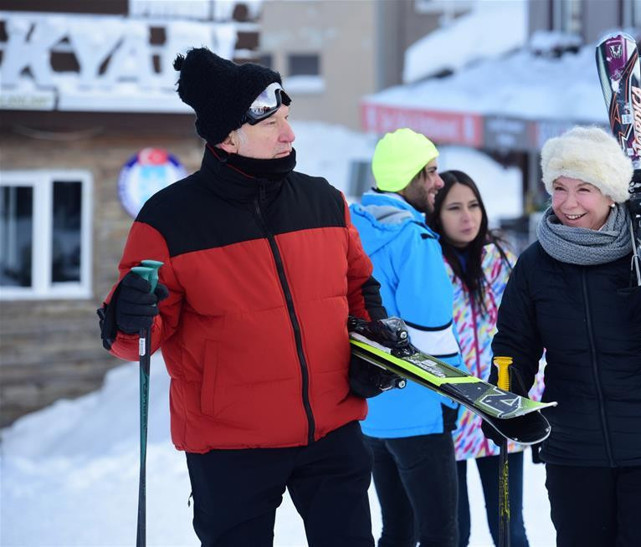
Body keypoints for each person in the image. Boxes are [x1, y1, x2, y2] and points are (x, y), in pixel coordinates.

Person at [96, 47, 398, 546]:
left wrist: (374, 341)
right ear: (228, 135)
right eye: (271, 124)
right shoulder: (168, 220)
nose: (289, 134)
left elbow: (358, 287)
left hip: (332, 431)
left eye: (288, 118)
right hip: (231, 444)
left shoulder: (324, 201)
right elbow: (138, 341)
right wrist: (126, 316)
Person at [481, 126, 641, 547]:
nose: (569, 203)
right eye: (559, 188)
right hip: (576, 452)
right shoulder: (536, 264)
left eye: (584, 189)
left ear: (612, 193)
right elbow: (514, 346)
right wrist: (503, 397)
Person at [350, 128, 463, 547]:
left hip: (374, 410)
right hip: (420, 407)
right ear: (406, 177)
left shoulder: (355, 230)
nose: (438, 183)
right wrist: (455, 396)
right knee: (438, 533)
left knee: (395, 531)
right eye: (430, 173)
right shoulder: (413, 240)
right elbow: (432, 335)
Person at [427, 170, 541, 547]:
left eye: (474, 205)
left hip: (499, 414)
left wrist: (529, 403)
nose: (467, 217)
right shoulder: (427, 264)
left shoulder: (503, 261)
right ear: (436, 214)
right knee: (453, 534)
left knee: (510, 532)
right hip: (449, 419)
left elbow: (527, 335)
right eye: (455, 208)